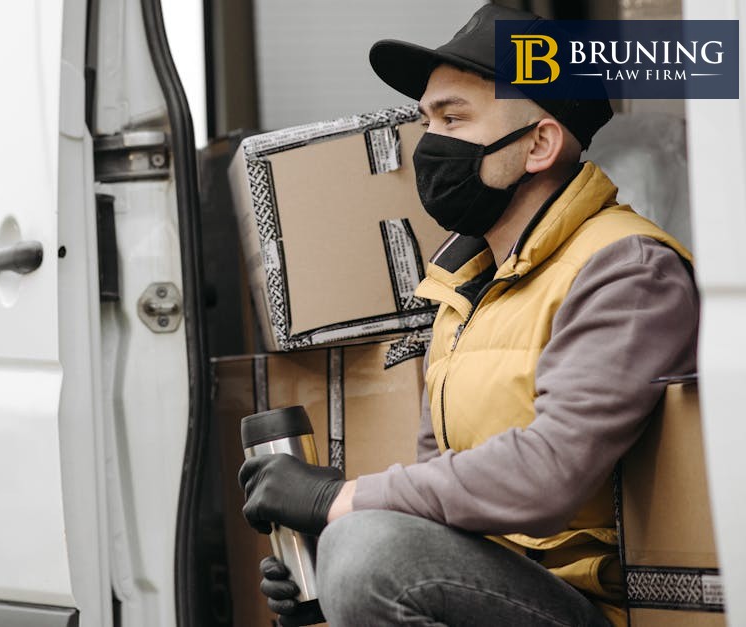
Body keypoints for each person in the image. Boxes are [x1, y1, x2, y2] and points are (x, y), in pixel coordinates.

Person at [238, 5, 698, 626]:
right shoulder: (464, 287)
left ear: (540, 144)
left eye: (453, 118)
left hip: (600, 607)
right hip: (508, 589)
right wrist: (329, 564)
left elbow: (548, 475)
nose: (429, 145)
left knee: (369, 547)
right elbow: (443, 491)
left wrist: (337, 503)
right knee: (360, 547)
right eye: (426, 120)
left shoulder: (626, 271)